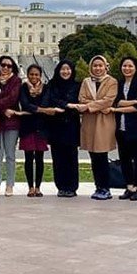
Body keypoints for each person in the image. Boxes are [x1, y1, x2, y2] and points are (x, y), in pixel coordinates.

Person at [77, 55, 118, 200]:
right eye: (95, 65)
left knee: (102, 155)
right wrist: (96, 104)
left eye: (100, 65)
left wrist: (88, 106)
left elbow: (108, 101)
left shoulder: (112, 81)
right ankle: (98, 186)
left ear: (106, 67)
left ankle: (105, 187)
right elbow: (81, 98)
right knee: (93, 156)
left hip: (104, 122)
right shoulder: (86, 81)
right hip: (89, 122)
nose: (98, 68)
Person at [111, 56, 137, 201]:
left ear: (136, 68)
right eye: (124, 66)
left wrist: (118, 108)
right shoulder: (118, 83)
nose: (127, 68)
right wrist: (132, 103)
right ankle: (129, 186)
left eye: (130, 66)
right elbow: (116, 101)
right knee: (124, 158)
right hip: (121, 128)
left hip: (136, 127)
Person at [45, 60, 81, 197]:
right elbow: (50, 100)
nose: (65, 72)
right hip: (56, 126)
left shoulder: (77, 85)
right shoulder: (52, 85)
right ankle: (61, 185)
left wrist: (66, 106)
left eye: (68, 69)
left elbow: (79, 102)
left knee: (71, 157)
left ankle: (72, 186)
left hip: (71, 125)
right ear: (58, 71)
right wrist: (68, 105)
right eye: (62, 69)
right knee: (58, 158)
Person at [16, 64, 52, 198]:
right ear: (28, 75)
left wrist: (36, 109)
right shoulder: (23, 88)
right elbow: (24, 104)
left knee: (40, 158)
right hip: (27, 126)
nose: (34, 77)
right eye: (31, 74)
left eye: (36, 74)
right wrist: (41, 110)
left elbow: (45, 102)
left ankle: (38, 187)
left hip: (41, 127)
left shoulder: (46, 88)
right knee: (28, 158)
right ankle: (30, 186)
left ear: (40, 76)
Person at [0, 55, 21, 197]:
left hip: (11, 122)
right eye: (3, 65)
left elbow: (12, 98)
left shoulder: (16, 81)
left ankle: (9, 184)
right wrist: (1, 109)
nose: (6, 68)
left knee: (10, 155)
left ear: (13, 67)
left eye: (9, 66)